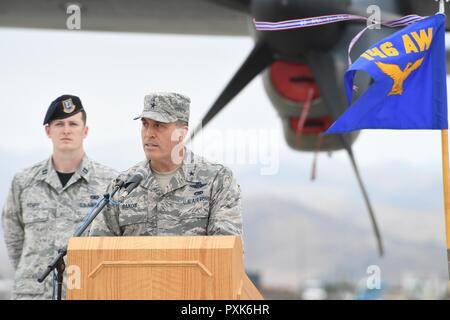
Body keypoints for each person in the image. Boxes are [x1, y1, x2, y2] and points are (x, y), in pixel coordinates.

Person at [1, 95, 117, 300]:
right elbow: (13, 237)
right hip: (33, 293)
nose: (66, 130)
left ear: (85, 131)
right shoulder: (24, 181)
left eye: (73, 123)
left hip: (84, 292)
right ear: (48, 131)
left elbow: (115, 239)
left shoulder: (109, 182)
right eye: (59, 124)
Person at [89, 92, 243, 237]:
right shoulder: (122, 186)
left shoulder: (216, 180)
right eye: (145, 124)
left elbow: (226, 250)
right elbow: (97, 251)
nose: (149, 133)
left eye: (158, 125)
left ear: (181, 133)